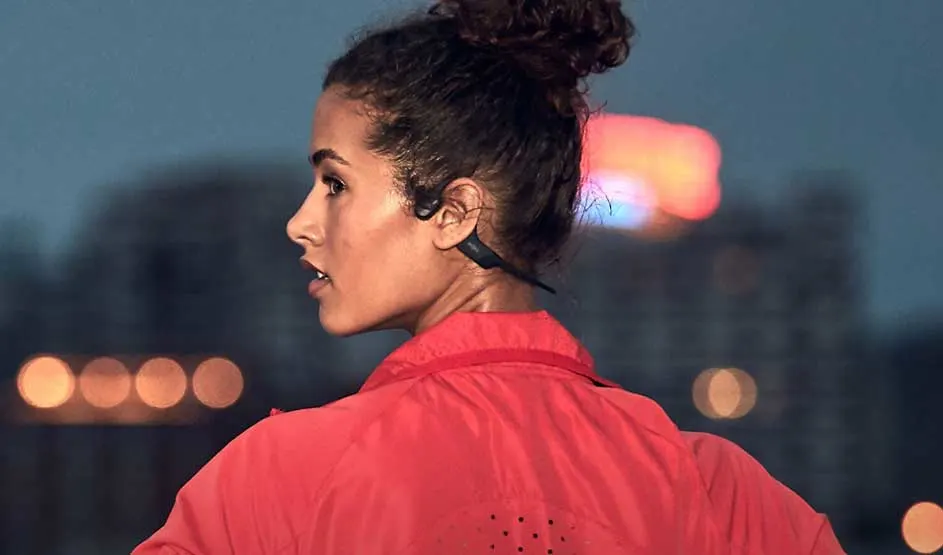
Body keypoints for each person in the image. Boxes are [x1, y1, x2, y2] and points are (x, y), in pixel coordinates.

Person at [133, 0, 845, 553]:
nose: (301, 221)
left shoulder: (278, 484)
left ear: (453, 209)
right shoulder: (714, 492)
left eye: (334, 183)